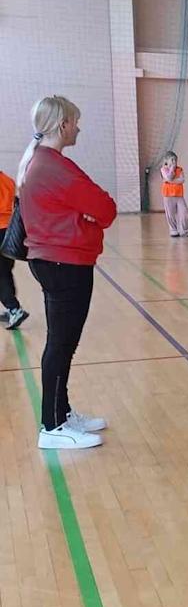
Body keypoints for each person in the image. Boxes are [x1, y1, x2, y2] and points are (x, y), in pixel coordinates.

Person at [20, 95, 116, 450]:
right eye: (75, 122)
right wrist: (85, 215)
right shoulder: (54, 167)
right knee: (61, 344)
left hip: (58, 261)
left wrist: (82, 214)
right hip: (64, 263)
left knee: (63, 343)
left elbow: (97, 209)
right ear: (62, 126)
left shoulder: (42, 162)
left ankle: (60, 412)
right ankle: (52, 426)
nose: (79, 128)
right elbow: (105, 208)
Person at [0, 170, 28, 330]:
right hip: (9, 231)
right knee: (5, 271)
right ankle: (12, 308)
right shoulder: (7, 180)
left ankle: (14, 309)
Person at [159, 150, 188, 238]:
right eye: (172, 160)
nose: (174, 162)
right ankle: (173, 230)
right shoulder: (163, 169)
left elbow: (182, 180)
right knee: (170, 214)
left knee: (184, 212)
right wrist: (171, 169)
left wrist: (170, 181)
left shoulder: (180, 169)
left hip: (179, 195)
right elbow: (168, 177)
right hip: (168, 195)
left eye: (175, 160)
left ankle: (185, 230)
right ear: (167, 160)